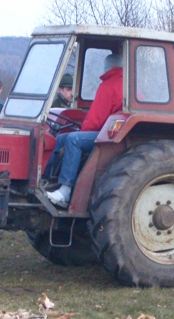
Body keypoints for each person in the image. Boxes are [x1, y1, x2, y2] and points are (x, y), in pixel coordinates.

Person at [46, 54, 123, 208]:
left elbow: (96, 119)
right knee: (61, 138)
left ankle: (65, 191)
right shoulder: (128, 85)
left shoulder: (109, 86)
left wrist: (82, 130)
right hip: (111, 132)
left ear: (108, 67)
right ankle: (46, 180)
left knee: (73, 139)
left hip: (109, 135)